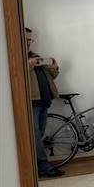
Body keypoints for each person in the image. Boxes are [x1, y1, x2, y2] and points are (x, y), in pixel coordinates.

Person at [26, 27, 64, 177]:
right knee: (35, 136)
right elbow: (16, 76)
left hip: (43, 101)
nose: (29, 42)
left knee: (38, 135)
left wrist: (54, 68)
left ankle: (35, 166)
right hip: (31, 102)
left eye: (30, 40)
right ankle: (43, 167)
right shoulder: (16, 57)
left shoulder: (34, 56)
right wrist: (29, 64)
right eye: (25, 39)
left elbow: (48, 78)